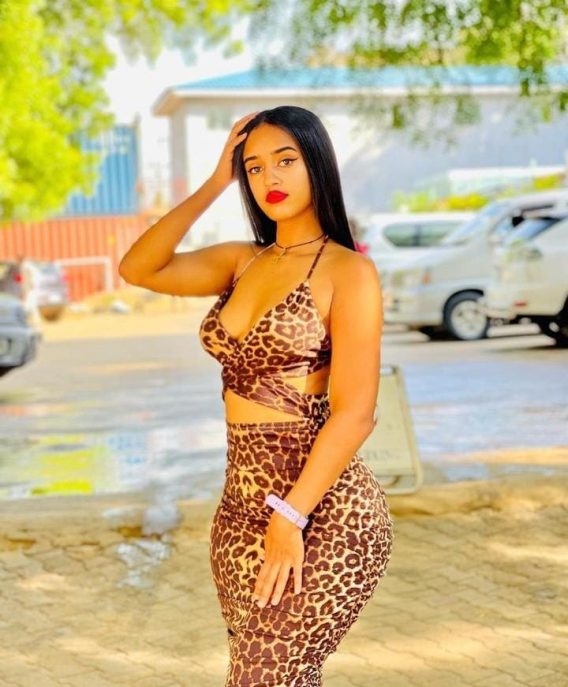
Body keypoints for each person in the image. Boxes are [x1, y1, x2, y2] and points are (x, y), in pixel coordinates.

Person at [118, 105, 394, 686]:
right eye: (255, 167)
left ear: (317, 163)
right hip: (239, 512)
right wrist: (215, 182)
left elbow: (356, 414)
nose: (270, 177)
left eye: (286, 161)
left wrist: (290, 517)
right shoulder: (242, 262)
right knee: (275, 676)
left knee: (263, 675)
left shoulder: (348, 272)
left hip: (323, 512)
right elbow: (139, 268)